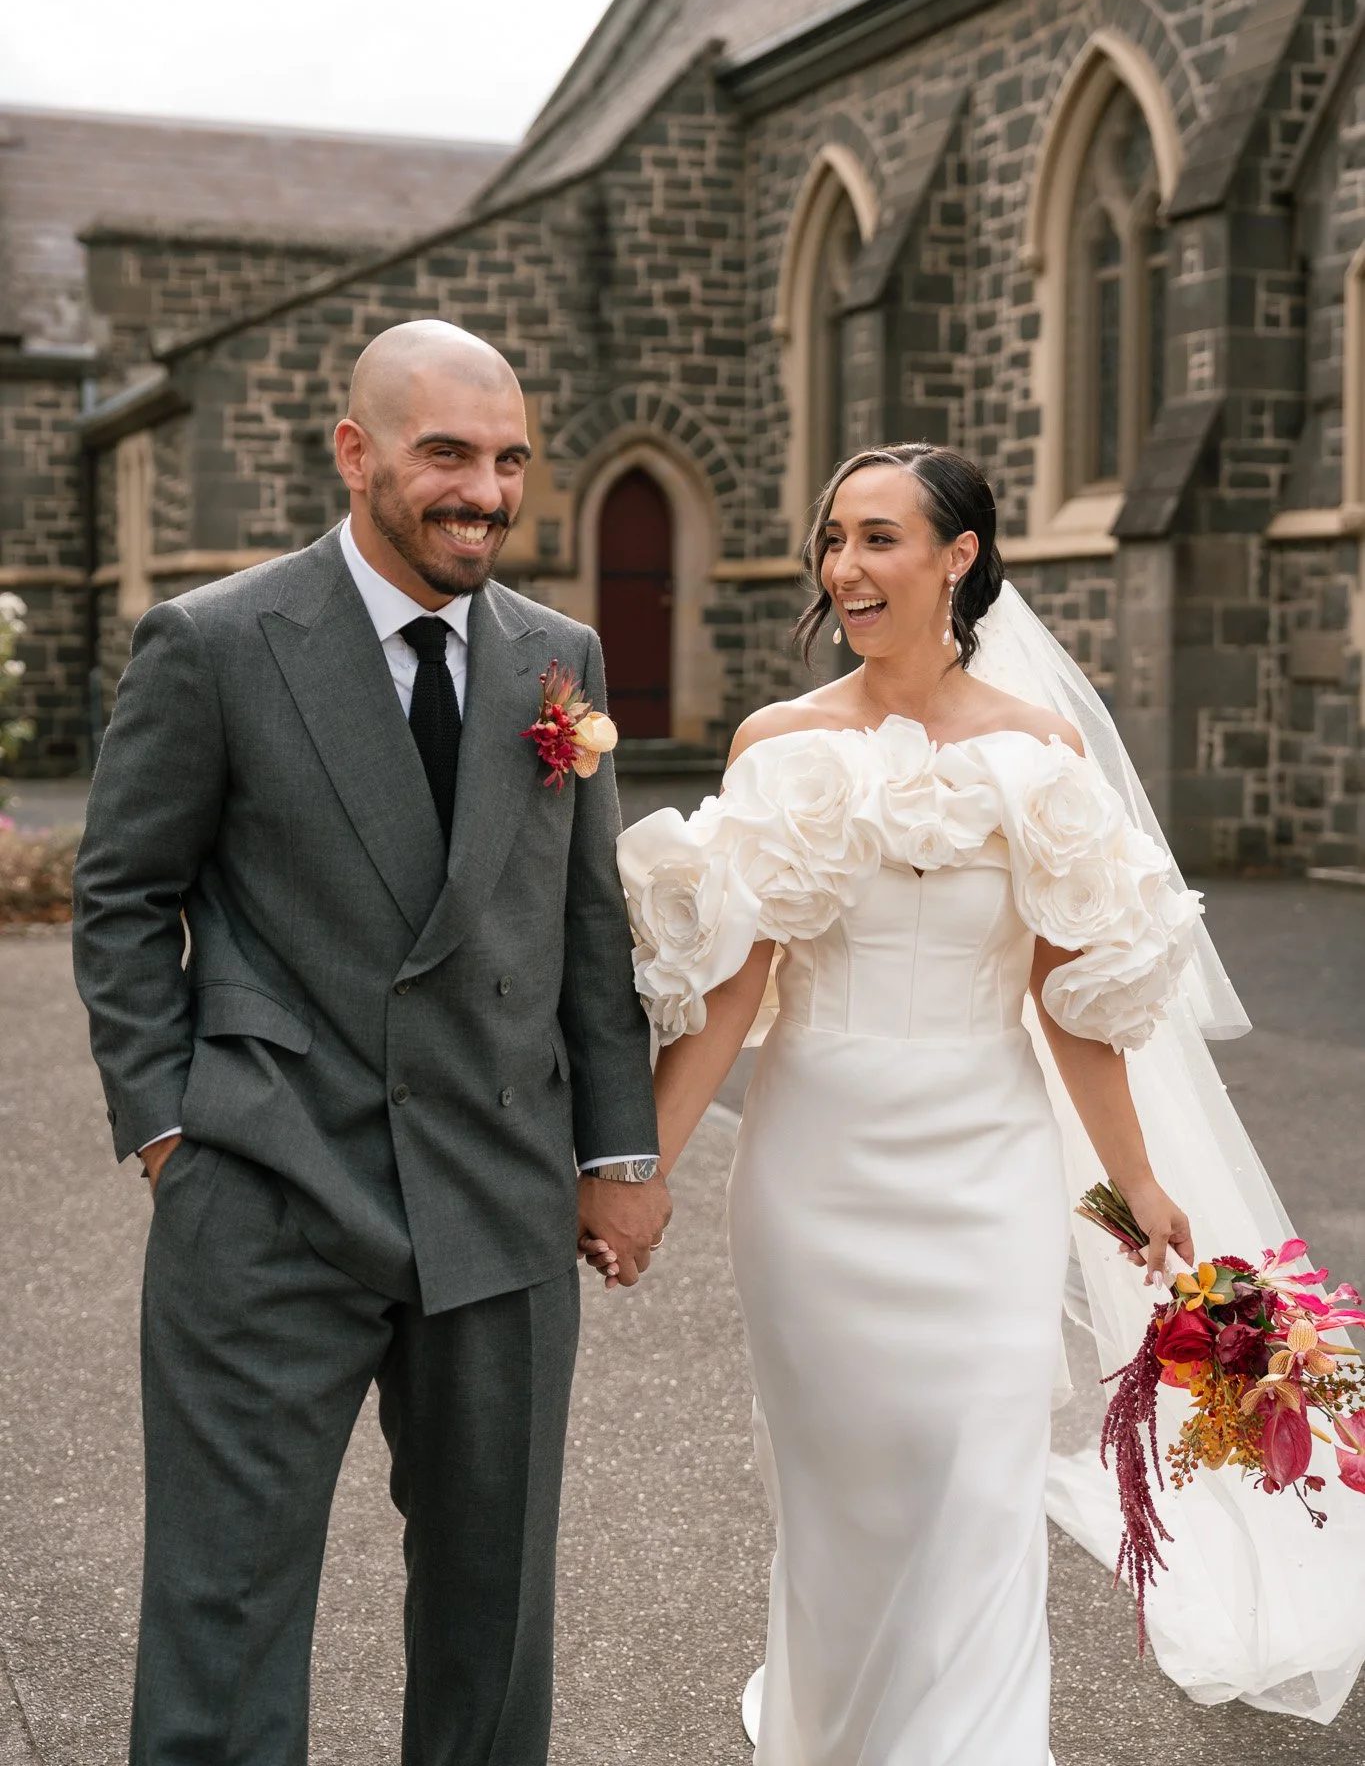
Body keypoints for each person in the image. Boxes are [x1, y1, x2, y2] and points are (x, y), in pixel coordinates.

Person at [72, 319, 670, 1764]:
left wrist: (620, 1148)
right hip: (270, 1196)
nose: (484, 489)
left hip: (501, 1204)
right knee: (223, 1617)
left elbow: (590, 930)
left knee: (494, 1625)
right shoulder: (214, 643)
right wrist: (168, 1127)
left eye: (510, 458)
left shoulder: (558, 656)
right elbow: (124, 896)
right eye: (447, 454)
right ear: (356, 453)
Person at [595, 442, 1200, 1763]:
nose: (844, 569)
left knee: (974, 1490)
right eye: (834, 541)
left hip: (985, 1170)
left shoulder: (1042, 757)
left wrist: (1136, 1180)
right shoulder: (781, 745)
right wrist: (641, 1171)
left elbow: (1068, 1003)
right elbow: (736, 994)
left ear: (959, 556)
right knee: (845, 1504)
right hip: (817, 1174)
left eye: (877, 538)